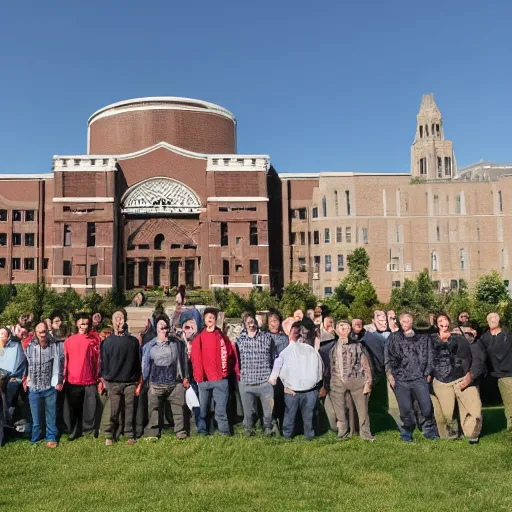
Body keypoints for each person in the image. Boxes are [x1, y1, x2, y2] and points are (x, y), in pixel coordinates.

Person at [430, 314, 484, 443]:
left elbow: (477, 357)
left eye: (445, 320)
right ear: (437, 324)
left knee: (474, 408)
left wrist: (471, 375)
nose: (443, 323)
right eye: (440, 321)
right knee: (447, 414)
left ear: (449, 322)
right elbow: (424, 359)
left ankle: (472, 434)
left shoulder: (461, 338)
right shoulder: (429, 340)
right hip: (441, 380)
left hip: (462, 378)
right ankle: (451, 434)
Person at [385, 312, 438, 441]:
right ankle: (406, 433)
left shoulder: (423, 337)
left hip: (420, 378)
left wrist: (428, 374)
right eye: (402, 320)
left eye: (408, 319)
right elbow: (388, 358)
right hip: (401, 379)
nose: (405, 322)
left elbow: (430, 356)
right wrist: (391, 376)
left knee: (426, 408)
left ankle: (429, 431)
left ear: (412, 321)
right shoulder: (393, 338)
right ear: (399, 322)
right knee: (405, 409)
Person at [269, 319, 323, 440]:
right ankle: (287, 437)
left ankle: (310, 436)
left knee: (309, 417)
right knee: (290, 416)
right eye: (295, 333)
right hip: (292, 391)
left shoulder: (311, 352)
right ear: (290, 334)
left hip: (310, 390)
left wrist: (315, 385)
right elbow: (274, 375)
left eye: (301, 333)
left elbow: (319, 369)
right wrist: (285, 387)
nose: (298, 335)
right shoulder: (285, 353)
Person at [320, 320, 374, 441]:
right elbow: (327, 367)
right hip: (336, 382)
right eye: (341, 327)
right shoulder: (330, 347)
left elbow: (366, 365)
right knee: (339, 412)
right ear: (336, 330)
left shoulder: (358, 345)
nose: (344, 330)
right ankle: (343, 433)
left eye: (347, 327)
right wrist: (326, 385)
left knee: (363, 410)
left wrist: (368, 382)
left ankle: (365, 434)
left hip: (357, 380)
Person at [190, 308, 239, 436]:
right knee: (203, 410)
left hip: (220, 379)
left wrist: (227, 371)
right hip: (204, 380)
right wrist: (198, 376)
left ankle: (224, 433)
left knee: (221, 410)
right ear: (205, 320)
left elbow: (230, 354)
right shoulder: (199, 338)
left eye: (213, 317)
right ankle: (203, 432)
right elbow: (194, 358)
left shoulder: (222, 337)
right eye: (208, 317)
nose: (210, 319)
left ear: (215, 319)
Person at [142, 315, 188, 440]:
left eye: (165, 327)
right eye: (161, 327)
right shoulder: (149, 346)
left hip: (174, 383)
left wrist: (185, 376)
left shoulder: (176, 343)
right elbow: (145, 365)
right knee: (154, 410)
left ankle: (180, 430)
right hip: (156, 384)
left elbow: (184, 360)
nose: (164, 330)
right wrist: (145, 381)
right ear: (156, 328)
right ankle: (153, 433)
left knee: (178, 407)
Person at [99, 311, 141, 446]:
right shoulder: (106, 342)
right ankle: (109, 435)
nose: (119, 320)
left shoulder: (133, 341)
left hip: (130, 382)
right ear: (112, 321)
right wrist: (106, 380)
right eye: (116, 318)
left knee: (129, 410)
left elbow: (137, 362)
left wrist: (137, 380)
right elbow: (104, 363)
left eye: (121, 318)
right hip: (113, 382)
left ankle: (129, 434)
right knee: (113, 410)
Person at [235, 313, 275, 437]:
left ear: (256, 322)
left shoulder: (267, 337)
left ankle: (268, 427)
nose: (250, 322)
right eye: (247, 320)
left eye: (252, 320)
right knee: (248, 412)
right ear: (244, 323)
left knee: (268, 410)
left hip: (264, 381)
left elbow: (273, 356)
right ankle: (249, 429)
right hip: (246, 381)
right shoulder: (238, 340)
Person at [25, 322, 63, 448]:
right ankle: (36, 438)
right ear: (35, 332)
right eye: (40, 331)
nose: (42, 333)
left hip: (49, 387)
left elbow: (57, 365)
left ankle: (51, 437)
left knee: (51, 416)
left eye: (44, 331)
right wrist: (25, 379)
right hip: (34, 387)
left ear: (47, 331)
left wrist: (57, 382)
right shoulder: (28, 346)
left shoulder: (54, 346)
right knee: (36, 417)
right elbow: (24, 364)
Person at [63, 313, 100, 440]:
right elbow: (65, 362)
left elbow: (98, 359)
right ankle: (75, 429)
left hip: (90, 379)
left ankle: (90, 429)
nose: (83, 324)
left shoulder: (94, 339)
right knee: (74, 408)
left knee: (91, 408)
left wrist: (98, 377)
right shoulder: (69, 341)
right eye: (81, 321)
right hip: (73, 380)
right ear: (77, 323)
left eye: (85, 322)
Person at [478, 312, 512, 430]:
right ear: (487, 322)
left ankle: (511, 424)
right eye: (490, 319)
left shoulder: (508, 335)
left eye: (495, 318)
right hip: (489, 375)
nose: (493, 320)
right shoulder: (483, 338)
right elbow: (481, 356)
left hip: (506, 373)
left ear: (499, 320)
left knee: (510, 399)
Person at [0, 327, 26, 425]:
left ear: (9, 336)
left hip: (13, 378)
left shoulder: (15, 346)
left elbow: (19, 365)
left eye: (3, 334)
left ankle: (9, 421)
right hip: (1, 378)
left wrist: (11, 377)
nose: (0, 336)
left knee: (9, 398)